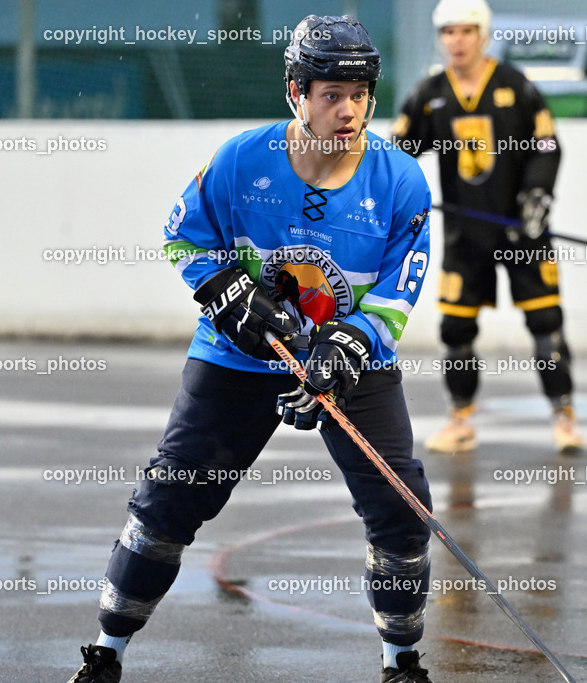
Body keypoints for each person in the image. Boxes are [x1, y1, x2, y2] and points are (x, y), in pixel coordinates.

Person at [67, 15, 435, 683]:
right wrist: (224, 290)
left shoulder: (401, 181)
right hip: (236, 357)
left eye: (360, 94)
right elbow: (183, 234)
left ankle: (401, 662)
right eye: (331, 94)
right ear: (296, 92)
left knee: (402, 508)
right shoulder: (242, 159)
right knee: (169, 500)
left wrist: (347, 346)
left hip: (350, 362)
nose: (348, 109)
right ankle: (105, 652)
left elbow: (398, 290)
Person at [392, 0, 584, 455]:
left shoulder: (514, 85)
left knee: (545, 323)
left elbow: (547, 144)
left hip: (523, 232)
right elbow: (398, 153)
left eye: (466, 31)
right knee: (456, 330)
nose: (456, 41)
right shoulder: (430, 93)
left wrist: (538, 195)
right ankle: (460, 419)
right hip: (465, 234)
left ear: (483, 34)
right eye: (448, 33)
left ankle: (564, 417)